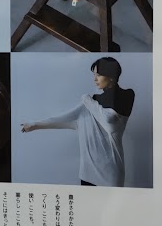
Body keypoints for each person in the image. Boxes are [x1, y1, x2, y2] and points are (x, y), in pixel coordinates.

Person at [21, 57, 135, 187]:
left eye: (98, 74)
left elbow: (109, 121)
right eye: (94, 74)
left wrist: (87, 99)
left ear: (111, 76)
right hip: (88, 173)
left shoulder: (127, 95)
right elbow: (65, 118)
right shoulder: (92, 100)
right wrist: (35, 124)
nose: (95, 79)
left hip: (111, 173)